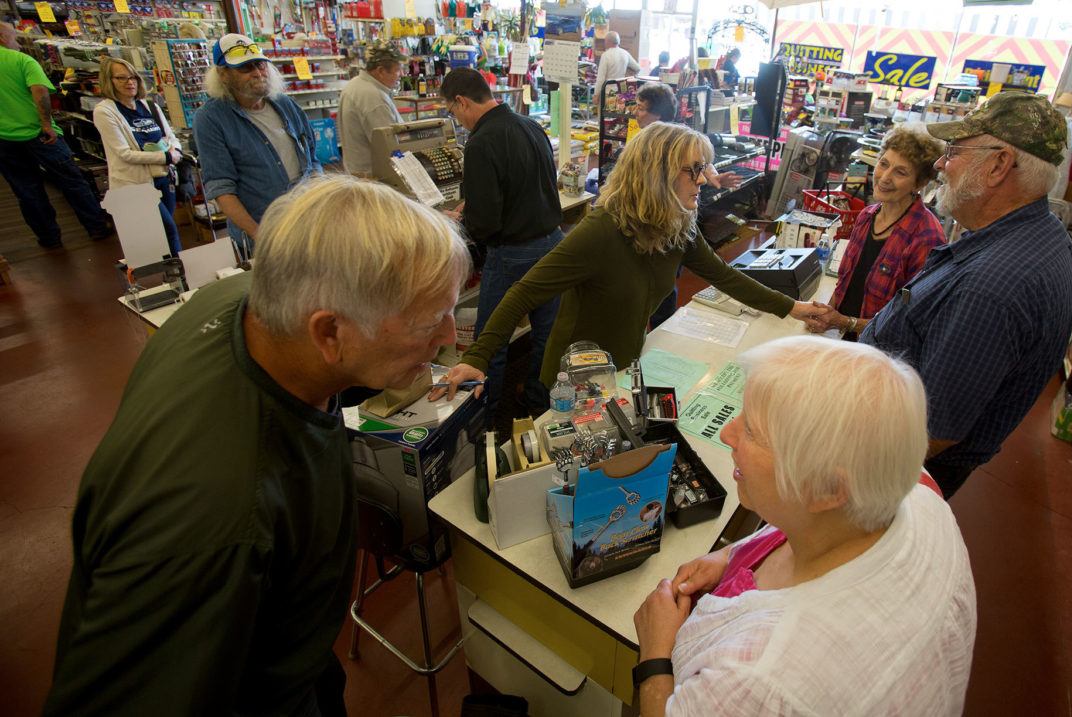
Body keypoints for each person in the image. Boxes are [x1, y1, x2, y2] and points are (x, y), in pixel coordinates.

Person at [43, 174, 470, 715]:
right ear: (329, 333)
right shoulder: (216, 520)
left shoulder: (241, 303)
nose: (451, 336)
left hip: (289, 656)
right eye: (431, 320)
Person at [631, 336, 976, 716]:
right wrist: (733, 556)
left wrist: (656, 655)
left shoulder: (761, 681)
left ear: (827, 489)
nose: (727, 433)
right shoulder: (913, 491)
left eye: (751, 431)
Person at [433, 122, 828, 400]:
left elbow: (722, 275)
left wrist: (793, 308)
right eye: (694, 170)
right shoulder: (603, 230)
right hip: (575, 375)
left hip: (625, 363)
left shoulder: (676, 225)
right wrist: (477, 359)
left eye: (704, 168)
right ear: (657, 173)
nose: (705, 180)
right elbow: (522, 294)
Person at [829, 92, 1072, 498]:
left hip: (890, 470)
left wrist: (834, 470)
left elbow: (934, 431)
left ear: (999, 165)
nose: (942, 163)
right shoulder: (1036, 235)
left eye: (955, 151)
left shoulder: (993, 285)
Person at [440, 67, 563, 416]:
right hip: (552, 244)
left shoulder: (480, 142)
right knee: (547, 335)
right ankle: (539, 403)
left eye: (452, 111)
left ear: (462, 102)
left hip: (512, 254)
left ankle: (488, 415)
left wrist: (461, 218)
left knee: (490, 340)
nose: (457, 119)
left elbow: (487, 221)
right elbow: (534, 185)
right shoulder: (530, 125)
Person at [796, 126, 945, 337]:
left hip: (875, 352)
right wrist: (826, 316)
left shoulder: (927, 239)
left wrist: (844, 322)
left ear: (919, 183)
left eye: (900, 172)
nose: (884, 177)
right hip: (842, 336)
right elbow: (846, 282)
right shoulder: (867, 216)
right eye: (883, 164)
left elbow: (907, 323)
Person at [194, 34, 321, 256]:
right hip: (263, 232)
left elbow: (311, 159)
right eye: (245, 68)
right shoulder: (210, 119)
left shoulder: (285, 104)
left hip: (306, 223)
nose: (257, 73)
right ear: (223, 75)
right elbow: (222, 189)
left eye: (260, 64)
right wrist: (260, 235)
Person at [630, 82, 740, 329]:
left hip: (670, 225)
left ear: (657, 115)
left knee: (665, 284)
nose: (636, 113)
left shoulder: (675, 142)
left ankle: (660, 333)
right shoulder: (643, 141)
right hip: (649, 227)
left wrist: (713, 177)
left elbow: (702, 161)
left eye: (641, 108)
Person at [0, 21, 111, 249]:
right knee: (72, 181)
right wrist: (46, 124)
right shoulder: (21, 60)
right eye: (14, 37)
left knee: (26, 190)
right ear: (2, 37)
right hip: (40, 134)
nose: (19, 42)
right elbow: (39, 90)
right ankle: (96, 227)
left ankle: (49, 238)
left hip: (4, 140)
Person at [93, 57, 183, 255]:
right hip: (136, 183)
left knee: (165, 231)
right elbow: (124, 153)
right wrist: (166, 157)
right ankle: (182, 274)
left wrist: (175, 151)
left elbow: (170, 136)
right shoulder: (104, 111)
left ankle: (174, 274)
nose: (130, 82)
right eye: (121, 78)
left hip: (163, 178)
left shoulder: (149, 106)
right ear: (109, 81)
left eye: (132, 77)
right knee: (167, 231)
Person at [337, 43, 404, 176]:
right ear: (380, 71)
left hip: (357, 172)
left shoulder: (355, 85)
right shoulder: (374, 98)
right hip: (374, 178)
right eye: (397, 70)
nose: (401, 74)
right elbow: (390, 146)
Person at [594, 31, 640, 109]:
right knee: (620, 116)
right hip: (623, 91)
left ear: (608, 41)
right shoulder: (625, 53)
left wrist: (596, 95)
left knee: (606, 117)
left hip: (609, 92)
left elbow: (601, 78)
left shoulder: (606, 55)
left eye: (605, 41)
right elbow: (637, 68)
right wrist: (629, 76)